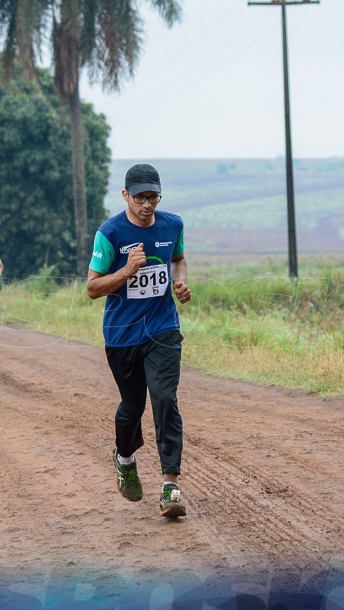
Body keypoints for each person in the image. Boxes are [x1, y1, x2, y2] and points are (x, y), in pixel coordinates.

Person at [86, 164, 192, 518]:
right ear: (125, 196)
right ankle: (125, 458)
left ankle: (170, 486)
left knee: (164, 398)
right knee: (132, 407)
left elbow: (178, 260)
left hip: (162, 328)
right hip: (121, 335)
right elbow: (91, 288)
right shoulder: (110, 233)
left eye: (153, 197)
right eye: (140, 198)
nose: (147, 205)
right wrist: (125, 272)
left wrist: (179, 282)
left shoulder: (172, 224)